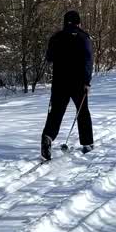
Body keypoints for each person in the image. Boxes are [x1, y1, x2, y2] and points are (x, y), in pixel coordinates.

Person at [41, 9, 94, 160]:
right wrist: (87, 81)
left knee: (55, 113)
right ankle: (87, 143)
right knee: (82, 112)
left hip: (59, 82)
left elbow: (49, 58)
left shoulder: (56, 37)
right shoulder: (84, 38)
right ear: (78, 22)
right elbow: (88, 61)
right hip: (78, 82)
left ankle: (48, 137)